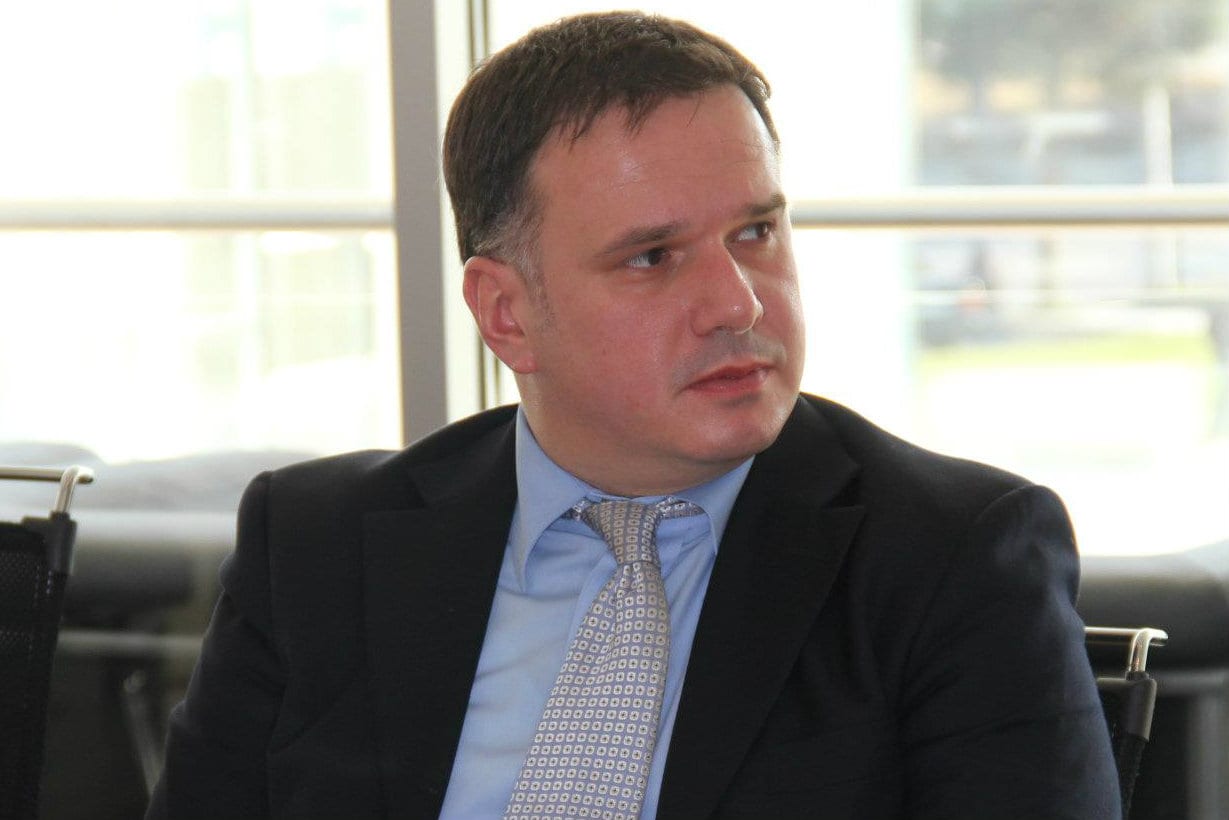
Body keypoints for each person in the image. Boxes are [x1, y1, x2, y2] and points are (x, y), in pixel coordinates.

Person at [147, 11, 1119, 819]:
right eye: (651, 258)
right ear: (505, 313)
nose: (737, 301)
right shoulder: (313, 548)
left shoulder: (950, 559)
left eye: (755, 231)